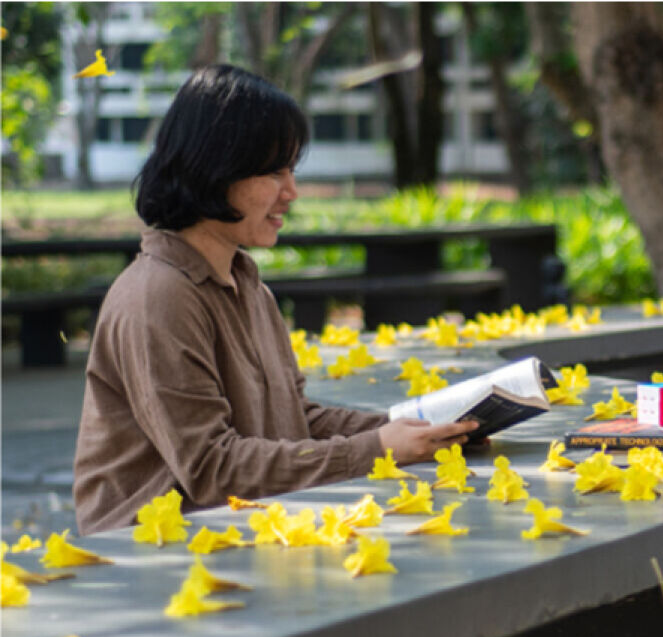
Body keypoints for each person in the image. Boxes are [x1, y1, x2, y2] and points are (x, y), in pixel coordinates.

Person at [73, 65, 477, 535]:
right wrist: (376, 447)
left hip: (243, 532)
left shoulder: (248, 286)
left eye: (292, 171)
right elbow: (211, 468)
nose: (291, 193)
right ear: (214, 168)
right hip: (157, 560)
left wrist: (412, 426)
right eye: (273, 172)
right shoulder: (157, 297)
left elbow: (294, 418)